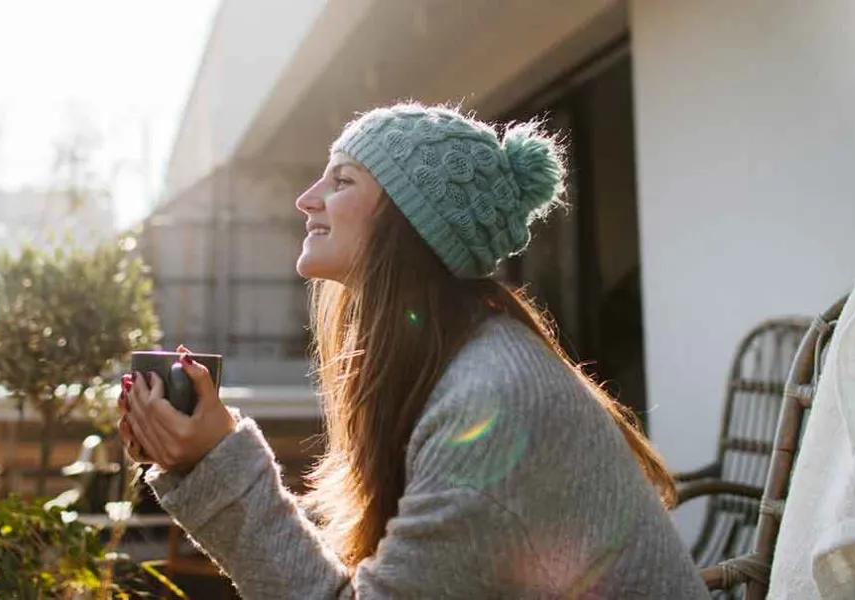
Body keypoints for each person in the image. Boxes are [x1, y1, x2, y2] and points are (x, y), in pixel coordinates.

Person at [117, 102, 706, 598]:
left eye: (341, 180)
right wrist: (201, 460)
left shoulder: (493, 403)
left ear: (408, 223)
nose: (306, 198)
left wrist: (217, 460)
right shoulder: (445, 365)